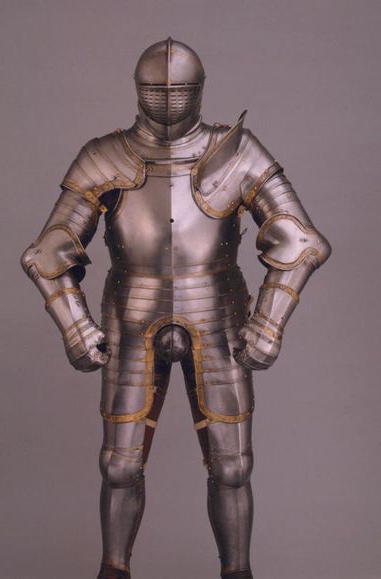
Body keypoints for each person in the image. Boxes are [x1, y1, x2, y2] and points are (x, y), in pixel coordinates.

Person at [21, 38, 331, 579]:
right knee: (119, 467)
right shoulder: (104, 155)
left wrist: (269, 321)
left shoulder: (238, 151)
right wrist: (74, 325)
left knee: (232, 468)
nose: (168, 98)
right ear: (138, 90)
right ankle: (113, 570)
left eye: (179, 89)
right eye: (157, 89)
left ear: (199, 90)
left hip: (218, 313)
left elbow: (302, 242)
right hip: (131, 313)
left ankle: (237, 572)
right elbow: (48, 251)